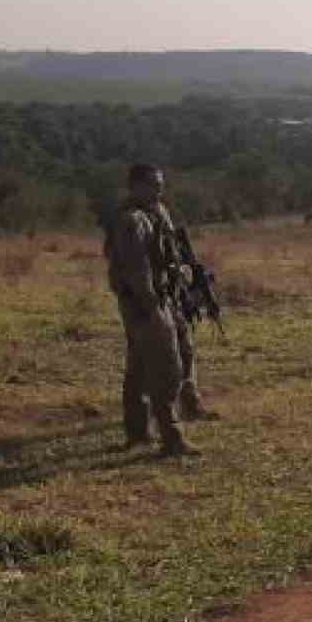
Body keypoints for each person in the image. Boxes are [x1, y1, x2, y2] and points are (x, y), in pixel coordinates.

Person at [103, 163, 206, 457]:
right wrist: (152, 307)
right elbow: (138, 269)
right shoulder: (133, 221)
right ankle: (172, 438)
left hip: (159, 298)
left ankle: (137, 434)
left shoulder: (155, 213)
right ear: (135, 186)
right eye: (153, 185)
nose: (159, 191)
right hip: (145, 303)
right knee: (166, 369)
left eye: (160, 186)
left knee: (138, 367)